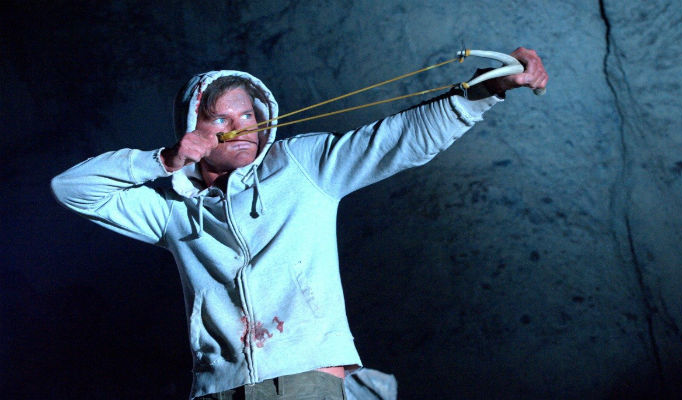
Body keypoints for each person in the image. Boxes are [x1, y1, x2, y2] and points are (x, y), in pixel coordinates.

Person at [51, 47, 547, 399]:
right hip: (217, 390)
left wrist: (488, 89)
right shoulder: (172, 210)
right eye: (220, 119)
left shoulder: (301, 165)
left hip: (305, 380)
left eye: (247, 114)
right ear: (191, 129)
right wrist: (162, 161)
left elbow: (397, 139)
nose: (241, 127)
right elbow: (72, 188)